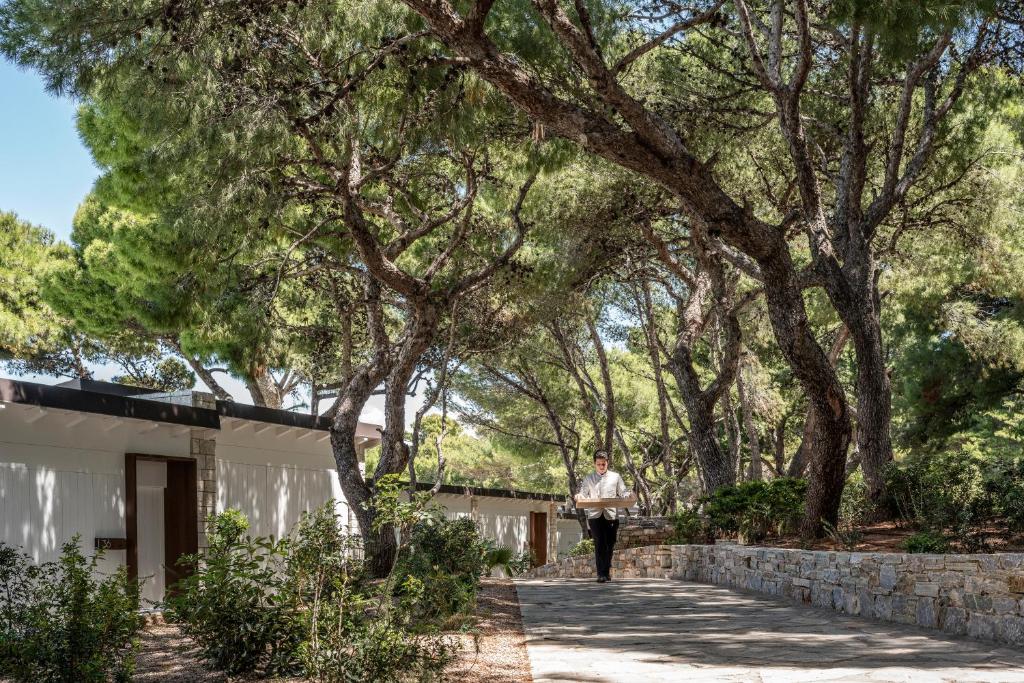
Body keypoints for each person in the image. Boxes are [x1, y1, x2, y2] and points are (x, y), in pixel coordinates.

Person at [575, 450, 630, 583]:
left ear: (607, 463)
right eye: (599, 464)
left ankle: (606, 571)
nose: (601, 466)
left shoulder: (616, 477)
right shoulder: (589, 478)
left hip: (611, 515)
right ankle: (601, 574)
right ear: (595, 464)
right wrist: (579, 496)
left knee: (610, 544)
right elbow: (583, 494)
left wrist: (628, 495)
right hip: (594, 515)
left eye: (603, 464)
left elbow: (623, 492)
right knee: (599, 544)